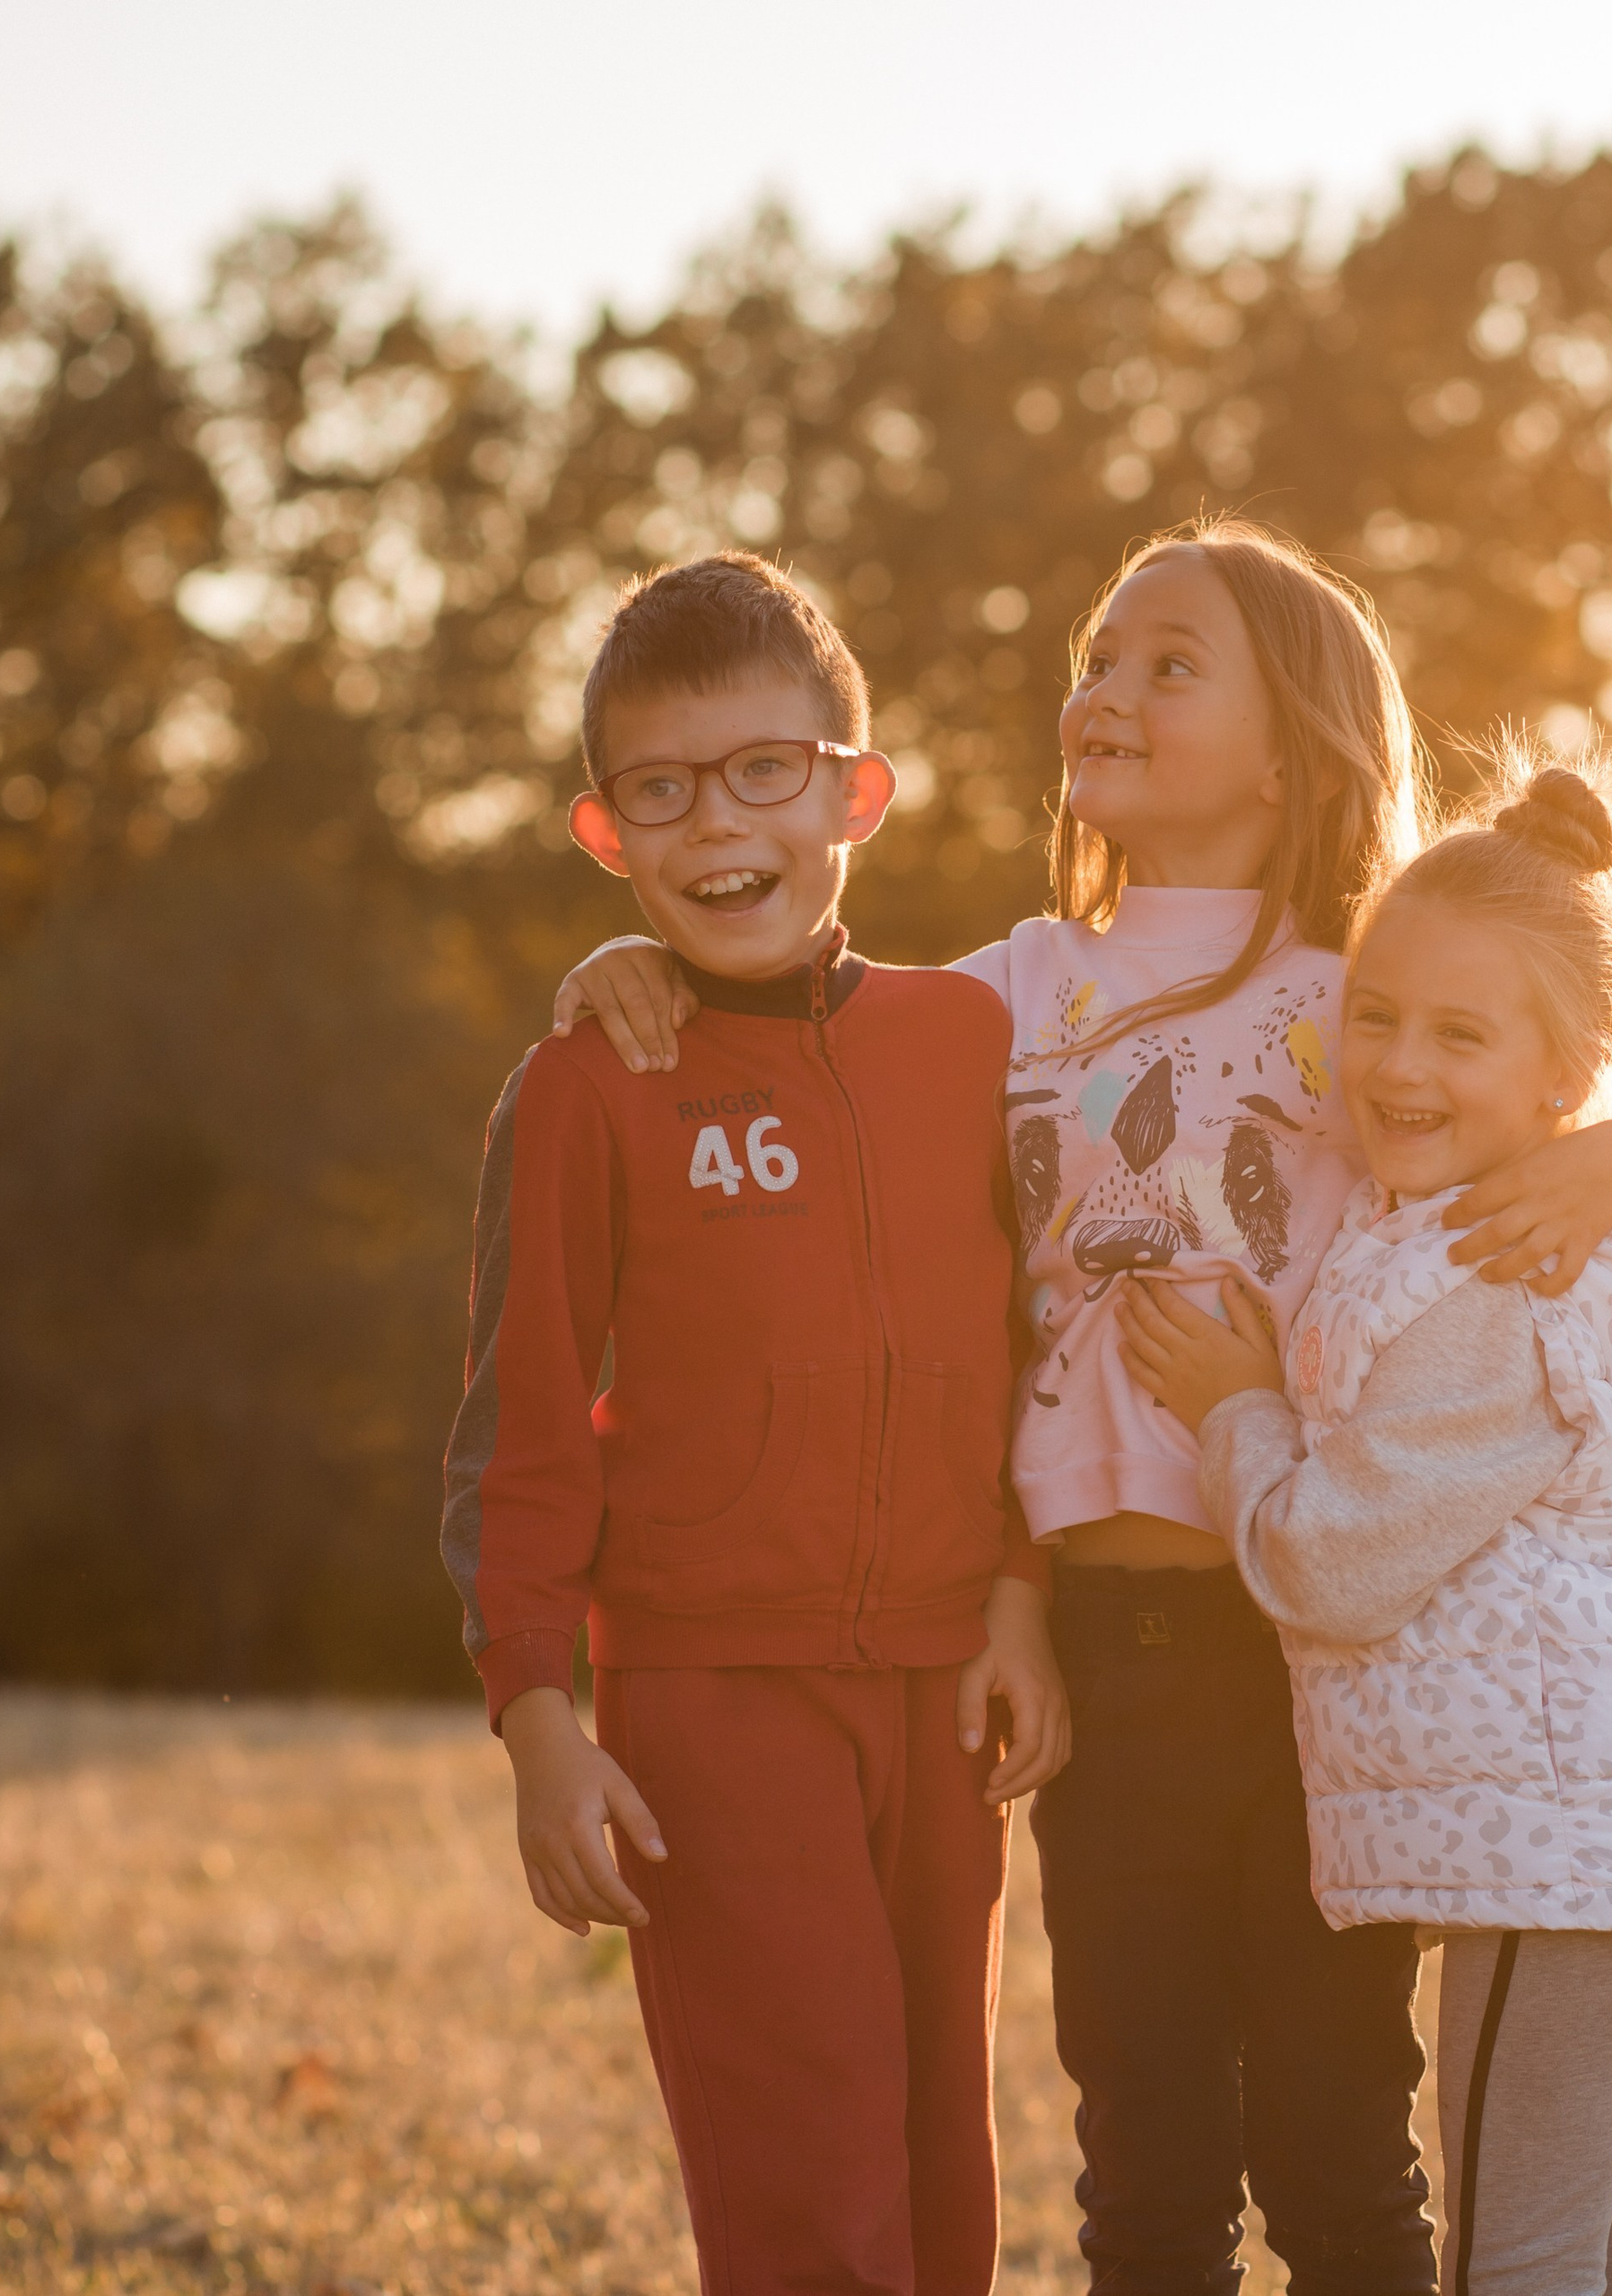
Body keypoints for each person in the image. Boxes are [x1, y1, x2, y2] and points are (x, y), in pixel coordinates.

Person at [550, 520, 1612, 2296]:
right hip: (1103, 1644)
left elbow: (1539, 1088)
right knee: (1142, 2147)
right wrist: (625, 975)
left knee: (1335, 2137)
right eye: (1100, 657)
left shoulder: (1363, 996)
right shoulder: (1008, 990)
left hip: (1325, 1655)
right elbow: (798, 1008)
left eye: (1170, 663)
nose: (1107, 688)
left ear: (1292, 740)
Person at [439, 551, 1069, 2296]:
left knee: (945, 2180)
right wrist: (538, 1715)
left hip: (944, 1692)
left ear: (854, 789)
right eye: (663, 787)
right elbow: (525, 1416)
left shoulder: (971, 1036)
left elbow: (1036, 1345)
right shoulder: (592, 1081)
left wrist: (1020, 1593)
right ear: (607, 834)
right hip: (712, 1710)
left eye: (764, 770)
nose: (718, 819)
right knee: (810, 2191)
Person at [1114, 749, 1612, 2296]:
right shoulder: (1591, 1232)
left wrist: (1239, 1409)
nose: (1398, 1064)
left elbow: (1333, 1564)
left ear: (1571, 1069)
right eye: (1374, 1015)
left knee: (1528, 2268)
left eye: (1459, 1035)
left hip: (1557, 1870)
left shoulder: (1496, 1285)